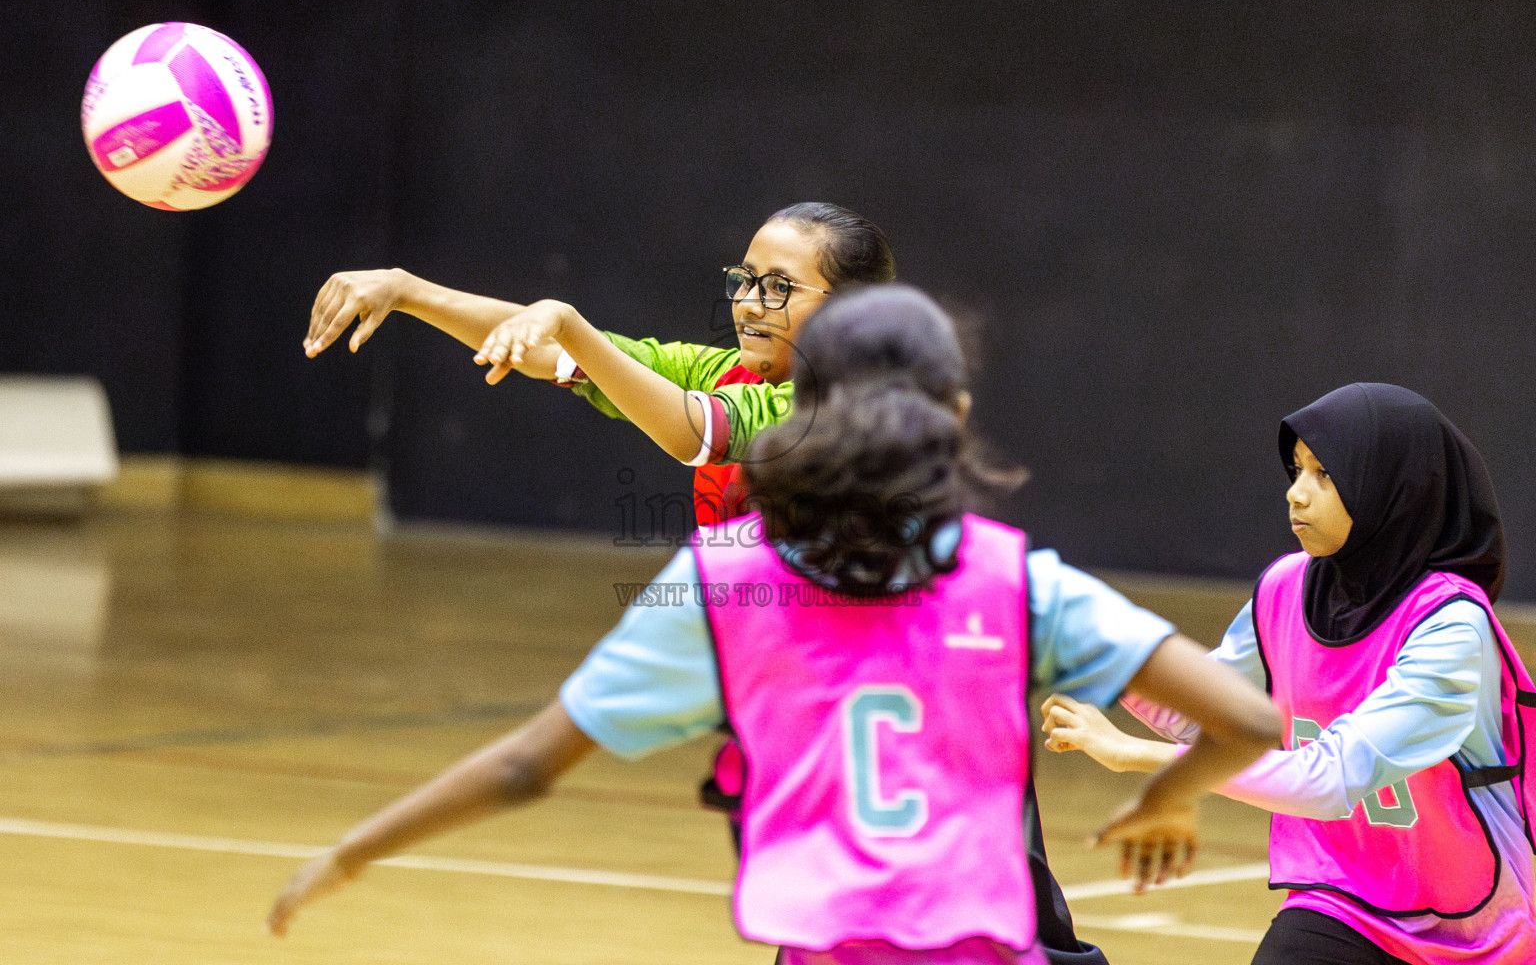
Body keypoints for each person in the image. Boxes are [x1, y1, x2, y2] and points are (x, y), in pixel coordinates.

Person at [268, 285, 1280, 964]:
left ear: (802, 408)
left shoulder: (727, 588)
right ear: (958, 413)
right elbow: (1247, 721)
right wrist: (1167, 797)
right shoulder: (1015, 581)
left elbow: (525, 765)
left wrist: (354, 849)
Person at [1041, 383, 1536, 965]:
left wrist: (1141, 758)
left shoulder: (1451, 624)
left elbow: (1330, 779)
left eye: (1324, 475)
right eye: (1297, 470)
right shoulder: (1286, 586)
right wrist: (1097, 648)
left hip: (1476, 931)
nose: (1296, 494)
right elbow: (1204, 716)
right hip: (1345, 897)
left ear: (1390, 491)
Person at [302, 201, 896, 525]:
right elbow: (556, 351)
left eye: (779, 287)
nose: (747, 303)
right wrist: (408, 290)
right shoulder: (723, 375)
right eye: (745, 279)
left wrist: (567, 322)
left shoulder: (844, 410)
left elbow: (692, 432)